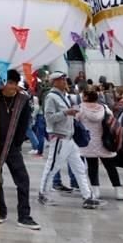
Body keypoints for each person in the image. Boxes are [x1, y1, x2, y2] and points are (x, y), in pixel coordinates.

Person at [0, 70, 40, 229]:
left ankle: (24, 215)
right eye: (9, 82)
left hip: (12, 146)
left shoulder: (22, 100)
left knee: (23, 179)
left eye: (14, 83)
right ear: (3, 83)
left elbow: (23, 124)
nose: (12, 87)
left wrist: (17, 143)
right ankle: (0, 211)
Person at [37, 72, 98, 209]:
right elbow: (50, 118)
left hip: (69, 138)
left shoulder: (64, 96)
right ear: (55, 82)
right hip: (59, 137)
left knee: (80, 168)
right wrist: (66, 113)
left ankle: (87, 196)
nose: (65, 82)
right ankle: (43, 194)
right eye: (61, 80)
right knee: (52, 166)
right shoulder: (51, 97)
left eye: (64, 79)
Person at [77, 87, 123, 202]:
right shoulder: (104, 108)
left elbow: (76, 122)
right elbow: (112, 121)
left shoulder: (80, 109)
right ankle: (118, 190)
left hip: (88, 142)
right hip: (104, 142)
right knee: (110, 167)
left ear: (86, 97)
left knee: (92, 167)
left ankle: (95, 191)